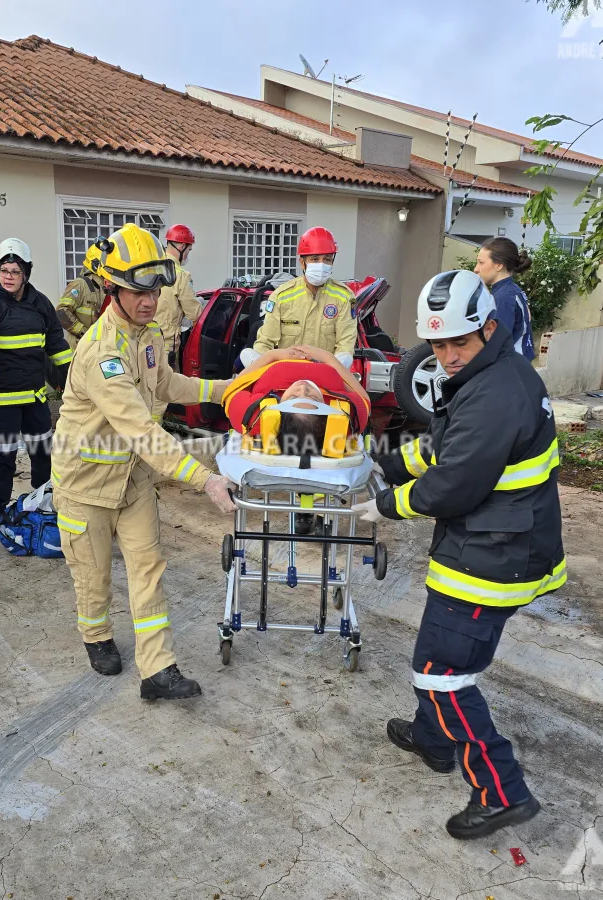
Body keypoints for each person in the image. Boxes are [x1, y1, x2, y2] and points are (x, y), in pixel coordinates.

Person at [351, 269, 564, 840]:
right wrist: (384, 461)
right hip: (493, 544)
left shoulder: (495, 395)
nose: (446, 356)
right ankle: (433, 737)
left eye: (458, 343)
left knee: (442, 674)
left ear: (488, 328)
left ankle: (501, 792)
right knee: (438, 650)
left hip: (492, 557)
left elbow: (454, 484)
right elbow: (440, 446)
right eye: (438, 344)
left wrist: (386, 505)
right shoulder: (487, 372)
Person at [51, 223, 236, 701]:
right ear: (113, 288)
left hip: (131, 481)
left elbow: (168, 385)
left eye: (155, 288)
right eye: (137, 291)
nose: (149, 300)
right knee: (92, 576)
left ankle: (158, 671)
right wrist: (205, 479)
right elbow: (141, 430)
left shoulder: (149, 334)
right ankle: (96, 636)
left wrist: (225, 389)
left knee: (148, 566)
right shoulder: (100, 353)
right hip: (85, 484)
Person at [0, 238, 73, 522]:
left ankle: (44, 502)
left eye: (15, 271)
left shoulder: (40, 303)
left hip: (34, 400)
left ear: (26, 274)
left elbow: (57, 345)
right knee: (2, 462)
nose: (9, 277)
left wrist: (74, 379)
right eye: (4, 271)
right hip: (0, 402)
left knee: (43, 454)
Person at [225, 345, 371, 534]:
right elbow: (364, 399)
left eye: (293, 396)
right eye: (312, 397)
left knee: (246, 354)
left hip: (276, 360)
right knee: (344, 358)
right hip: (325, 360)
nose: (302, 387)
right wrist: (327, 357)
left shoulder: (256, 416)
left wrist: (273, 355)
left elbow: (232, 390)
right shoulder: (347, 413)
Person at [241, 227, 356, 369]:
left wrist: (339, 366)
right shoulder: (281, 296)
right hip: (287, 378)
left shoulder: (344, 297)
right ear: (302, 262)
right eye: (315, 259)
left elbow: (345, 346)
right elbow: (265, 343)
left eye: (327, 259)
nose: (322, 265)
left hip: (324, 377)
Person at [151, 224, 204, 422]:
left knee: (145, 390)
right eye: (189, 249)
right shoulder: (180, 276)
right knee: (161, 396)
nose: (188, 253)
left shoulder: (151, 268)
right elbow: (195, 314)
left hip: (143, 343)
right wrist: (199, 304)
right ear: (181, 246)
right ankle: (153, 435)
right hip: (165, 347)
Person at [474, 237, 535, 361]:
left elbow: (497, 344)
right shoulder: (510, 291)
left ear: (498, 265)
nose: (476, 269)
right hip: (519, 365)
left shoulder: (503, 297)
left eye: (481, 262)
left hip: (510, 368)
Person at [56, 242, 106, 350]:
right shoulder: (80, 285)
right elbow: (61, 312)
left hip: (102, 348)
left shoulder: (110, 288)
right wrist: (84, 332)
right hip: (80, 350)